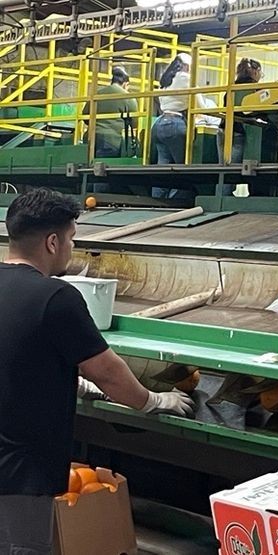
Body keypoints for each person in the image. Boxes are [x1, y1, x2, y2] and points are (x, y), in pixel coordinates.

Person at [0, 189, 194, 554]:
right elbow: (108, 371)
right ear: (53, 242)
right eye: (72, 239)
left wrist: (78, 386)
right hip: (18, 472)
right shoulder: (56, 297)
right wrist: (152, 401)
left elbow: (16, 355)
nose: (72, 248)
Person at [151, 53, 209, 198]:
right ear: (187, 66)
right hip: (175, 124)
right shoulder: (187, 78)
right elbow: (201, 105)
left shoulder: (165, 80)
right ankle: (177, 201)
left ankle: (157, 202)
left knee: (162, 169)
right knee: (182, 167)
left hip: (159, 124)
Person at [85, 66, 138, 159]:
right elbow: (134, 124)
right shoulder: (128, 97)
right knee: (103, 168)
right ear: (126, 84)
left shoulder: (97, 94)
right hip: (111, 141)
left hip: (89, 137)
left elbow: (85, 116)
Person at [218, 57, 263, 165]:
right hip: (238, 132)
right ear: (256, 72)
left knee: (222, 171)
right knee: (231, 173)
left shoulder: (231, 87)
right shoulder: (255, 89)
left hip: (222, 130)